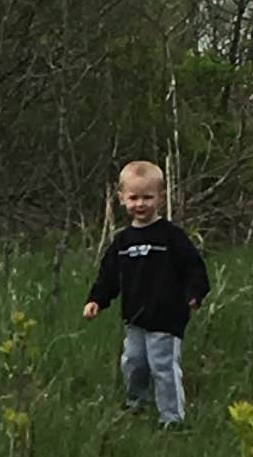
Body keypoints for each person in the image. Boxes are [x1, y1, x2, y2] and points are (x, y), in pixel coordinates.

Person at [84, 159, 210, 429]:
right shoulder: (122, 242)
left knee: (163, 367)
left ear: (160, 197)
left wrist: (194, 293)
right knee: (133, 363)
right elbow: (108, 276)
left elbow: (194, 268)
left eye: (147, 197)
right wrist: (96, 300)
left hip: (166, 317)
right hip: (134, 318)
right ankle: (136, 405)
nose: (140, 204)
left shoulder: (171, 237)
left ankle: (171, 419)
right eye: (133, 198)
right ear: (121, 198)